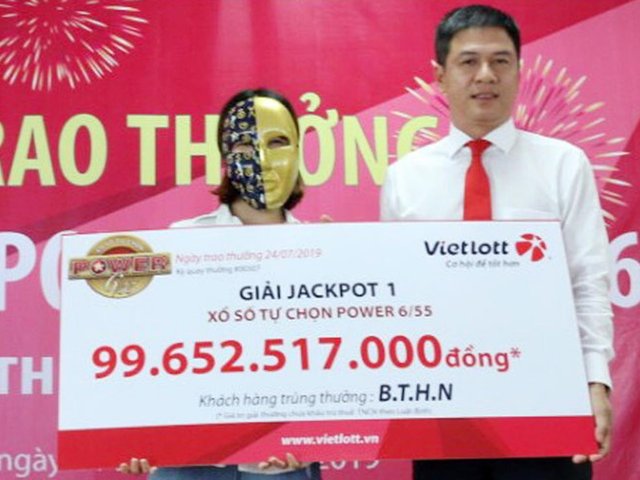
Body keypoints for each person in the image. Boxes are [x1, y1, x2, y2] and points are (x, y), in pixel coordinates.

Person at [380, 5, 613, 480]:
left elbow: (588, 282)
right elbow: (397, 297)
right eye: (469, 62)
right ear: (441, 76)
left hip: (547, 400)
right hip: (444, 409)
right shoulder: (405, 178)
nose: (485, 75)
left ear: (519, 71)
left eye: (500, 61)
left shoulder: (564, 164)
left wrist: (596, 381)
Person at [118, 88, 321, 480]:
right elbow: (143, 353)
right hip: (189, 465)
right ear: (226, 157)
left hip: (282, 466)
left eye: (277, 142)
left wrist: (313, 438)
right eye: (244, 144)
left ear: (297, 151)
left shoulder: (326, 251)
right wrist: (132, 435)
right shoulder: (179, 243)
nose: (261, 159)